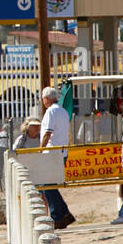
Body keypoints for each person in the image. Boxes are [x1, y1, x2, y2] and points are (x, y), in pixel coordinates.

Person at [39, 86, 75, 229]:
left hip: (51, 153)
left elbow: (47, 133)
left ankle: (58, 216)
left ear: (46, 99)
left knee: (47, 185)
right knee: (50, 185)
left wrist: (40, 151)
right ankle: (63, 213)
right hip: (62, 153)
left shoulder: (50, 112)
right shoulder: (63, 111)